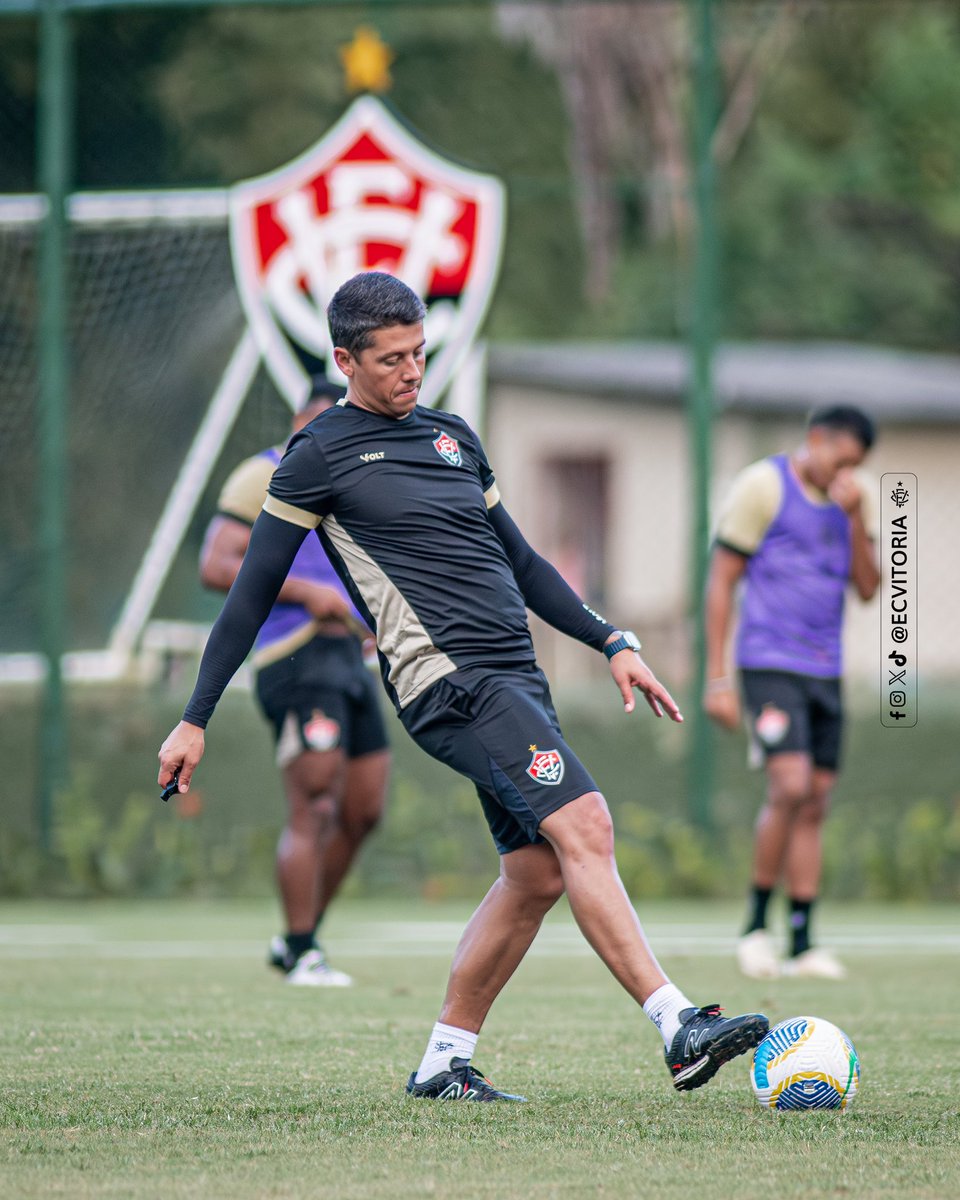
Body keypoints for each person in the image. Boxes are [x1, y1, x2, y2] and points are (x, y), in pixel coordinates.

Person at [159, 270, 768, 1101]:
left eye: (420, 354)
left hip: (513, 674)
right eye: (391, 360)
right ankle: (678, 1025)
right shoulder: (317, 456)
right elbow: (248, 593)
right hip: (447, 682)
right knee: (586, 824)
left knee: (537, 874)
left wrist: (610, 640)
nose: (412, 373)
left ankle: (445, 1062)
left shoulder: (452, 437)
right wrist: (194, 717)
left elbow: (522, 563)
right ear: (345, 359)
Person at [198, 378, 390, 987]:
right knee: (314, 803)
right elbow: (217, 564)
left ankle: (296, 939)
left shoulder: (357, 479)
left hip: (348, 661)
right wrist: (307, 594)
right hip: (292, 657)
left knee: (363, 812)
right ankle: (305, 949)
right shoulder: (264, 473)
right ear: (302, 417)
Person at [703, 406, 879, 981]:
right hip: (768, 662)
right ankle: (756, 928)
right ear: (815, 441)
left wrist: (855, 520)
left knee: (817, 798)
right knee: (790, 785)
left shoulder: (856, 502)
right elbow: (722, 580)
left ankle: (802, 940)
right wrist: (718, 677)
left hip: (826, 670)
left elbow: (871, 588)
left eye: (855, 465)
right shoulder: (763, 485)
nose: (844, 472)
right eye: (840, 459)